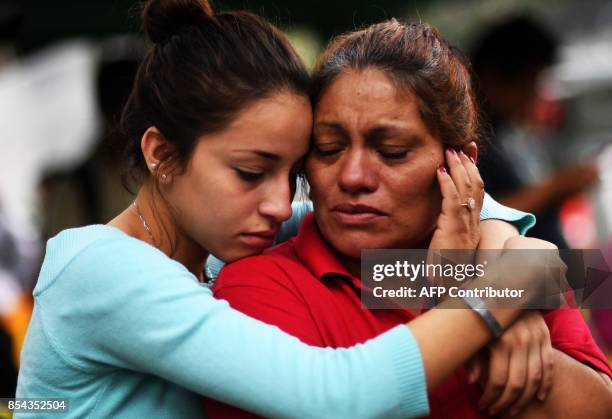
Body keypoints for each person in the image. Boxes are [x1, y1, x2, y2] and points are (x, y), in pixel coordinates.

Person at [16, 2, 566, 418]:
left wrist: (490, 273)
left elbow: (573, 269)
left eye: (298, 168)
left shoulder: (251, 233)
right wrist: (492, 301)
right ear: (162, 154)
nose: (282, 202)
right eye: (251, 172)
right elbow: (336, 396)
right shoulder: (103, 272)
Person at [208, 19, 612, 419]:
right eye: (328, 148)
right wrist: (485, 306)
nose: (352, 177)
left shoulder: (515, 262)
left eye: (393, 151)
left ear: (461, 165)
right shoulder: (256, 284)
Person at [471, 15, 599, 248]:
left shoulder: (507, 133)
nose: (534, 94)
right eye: (529, 82)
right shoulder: (469, 140)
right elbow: (478, 212)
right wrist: (555, 187)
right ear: (494, 76)